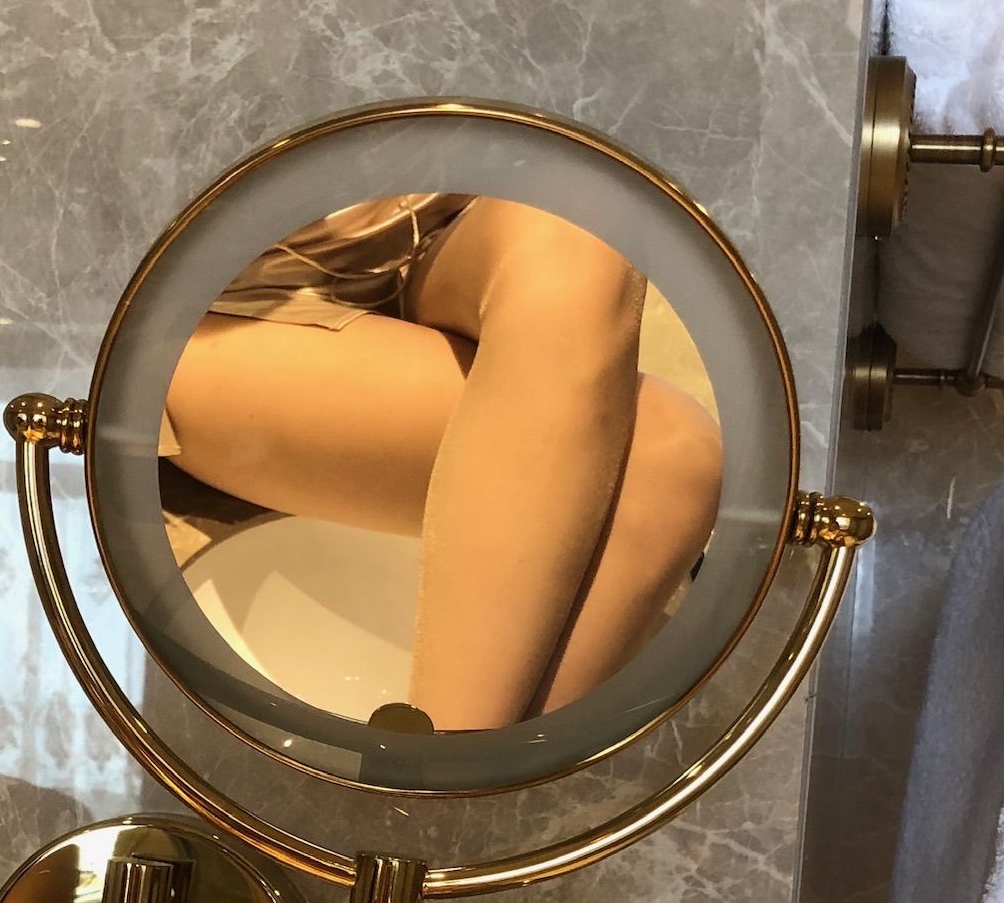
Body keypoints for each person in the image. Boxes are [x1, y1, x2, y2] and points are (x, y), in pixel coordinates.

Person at [162, 193, 724, 731]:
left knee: (584, 219)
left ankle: (457, 778)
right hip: (223, 303)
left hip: (429, 229)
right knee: (667, 460)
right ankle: (450, 772)